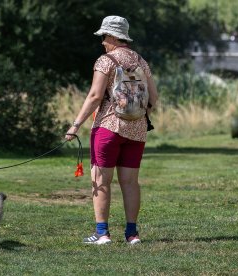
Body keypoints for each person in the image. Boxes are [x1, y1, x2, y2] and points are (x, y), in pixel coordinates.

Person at [65, 15, 158, 245]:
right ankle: (132, 234)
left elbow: (95, 96)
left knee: (100, 180)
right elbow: (153, 99)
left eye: (104, 36)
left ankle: (102, 233)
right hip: (137, 130)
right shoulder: (140, 61)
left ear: (113, 37)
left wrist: (76, 125)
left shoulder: (105, 61)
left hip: (108, 128)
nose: (102, 41)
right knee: (130, 182)